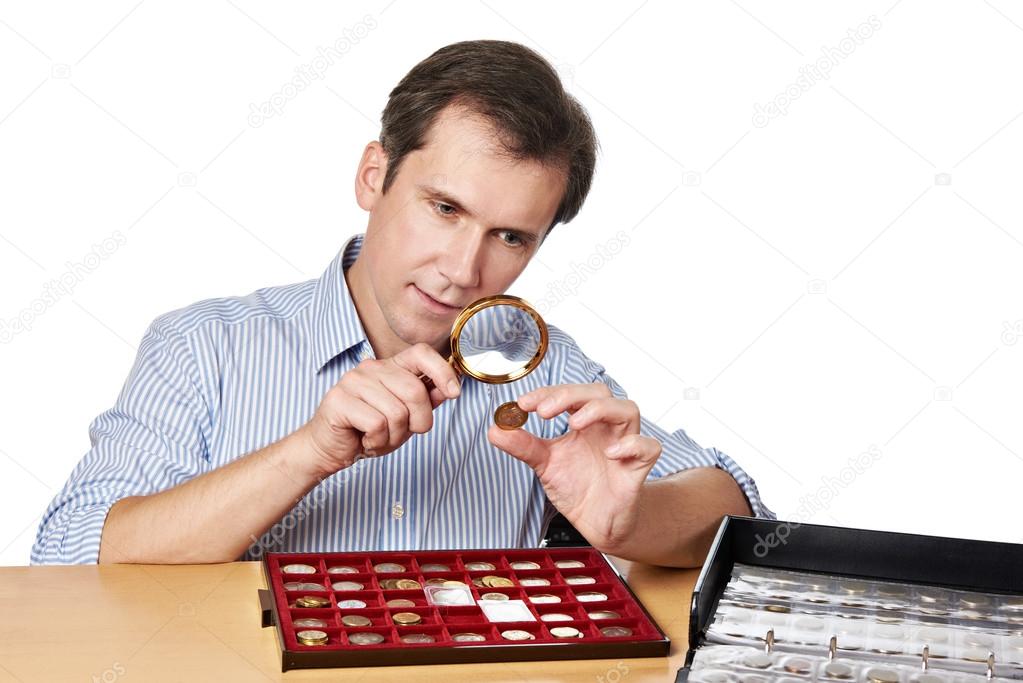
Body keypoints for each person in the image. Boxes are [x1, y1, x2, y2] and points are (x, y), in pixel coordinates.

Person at [32, 40, 772, 568]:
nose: (462, 269)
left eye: (509, 236)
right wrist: (309, 452)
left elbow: (739, 510)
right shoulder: (203, 345)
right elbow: (69, 553)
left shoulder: (543, 373)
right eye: (444, 208)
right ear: (373, 176)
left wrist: (634, 520)